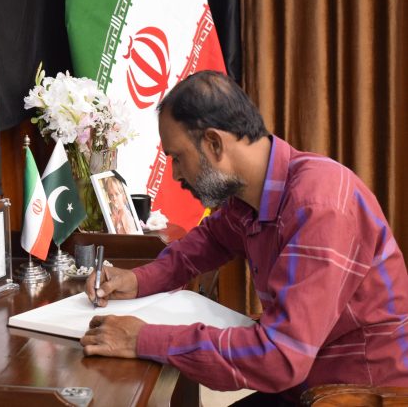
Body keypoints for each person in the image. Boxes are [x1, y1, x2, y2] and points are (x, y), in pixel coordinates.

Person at [82, 71, 408, 404]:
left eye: (178, 157)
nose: (176, 173)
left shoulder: (320, 207)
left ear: (214, 143)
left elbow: (280, 357)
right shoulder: (253, 194)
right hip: (306, 380)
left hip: (357, 393)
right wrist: (138, 280)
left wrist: (142, 339)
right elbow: (211, 240)